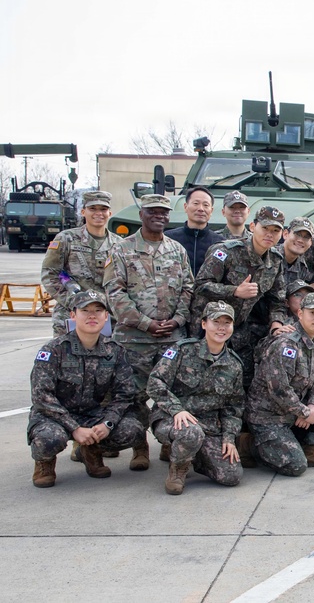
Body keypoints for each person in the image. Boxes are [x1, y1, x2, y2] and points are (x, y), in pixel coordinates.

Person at [104, 193, 194, 471]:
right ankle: (139, 446)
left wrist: (178, 319)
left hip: (171, 338)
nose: (159, 216)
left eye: (164, 212)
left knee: (172, 393)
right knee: (134, 395)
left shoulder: (176, 250)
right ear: (141, 214)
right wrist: (145, 323)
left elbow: (189, 288)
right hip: (134, 339)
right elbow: (114, 292)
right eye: (153, 211)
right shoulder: (122, 249)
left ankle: (170, 442)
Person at [27, 290, 145, 487]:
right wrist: (74, 429)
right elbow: (41, 396)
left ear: (106, 316)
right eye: (85, 310)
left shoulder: (115, 351)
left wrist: (107, 424)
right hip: (55, 416)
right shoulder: (53, 350)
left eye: (98, 310)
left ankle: (91, 451)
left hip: (93, 414)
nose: (92, 316)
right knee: (48, 439)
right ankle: (45, 463)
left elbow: (124, 395)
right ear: (73, 315)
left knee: (133, 430)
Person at [242, 292, 314, 475]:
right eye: (312, 313)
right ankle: (249, 444)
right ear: (300, 314)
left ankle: (312, 448)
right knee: (296, 466)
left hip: (295, 408)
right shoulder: (285, 344)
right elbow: (278, 389)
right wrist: (304, 412)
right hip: (269, 416)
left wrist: (312, 406)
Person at [146, 301, 244, 495]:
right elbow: (155, 382)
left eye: (227, 323)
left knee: (231, 475)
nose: (221, 328)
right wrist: (177, 409)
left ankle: (194, 455)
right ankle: (178, 468)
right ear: (204, 324)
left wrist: (229, 438)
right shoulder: (182, 350)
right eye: (216, 322)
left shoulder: (234, 364)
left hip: (208, 425)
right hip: (171, 418)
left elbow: (234, 407)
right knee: (190, 433)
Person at [192, 206, 290, 387]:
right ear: (252, 226)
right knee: (202, 381)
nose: (269, 234)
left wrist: (277, 323)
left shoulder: (275, 260)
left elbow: (277, 299)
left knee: (240, 380)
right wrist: (235, 291)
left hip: (239, 328)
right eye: (265, 229)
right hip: (206, 328)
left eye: (275, 231)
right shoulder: (227, 251)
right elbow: (200, 286)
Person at [41, 190, 122, 336]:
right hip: (72, 313)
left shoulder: (119, 245)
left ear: (110, 213)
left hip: (107, 315)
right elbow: (50, 274)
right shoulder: (66, 239)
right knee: (68, 356)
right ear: (83, 212)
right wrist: (73, 301)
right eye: (93, 209)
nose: (98, 213)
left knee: (107, 356)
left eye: (103, 209)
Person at [165, 186, 224, 278]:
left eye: (206, 205)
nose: (201, 209)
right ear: (186, 207)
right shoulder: (168, 239)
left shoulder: (220, 243)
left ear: (211, 211)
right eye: (196, 203)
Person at [274, 216, 314, 286]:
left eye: (306, 237)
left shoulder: (302, 266)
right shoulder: (270, 257)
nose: (301, 240)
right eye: (297, 234)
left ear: (310, 243)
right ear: (285, 234)